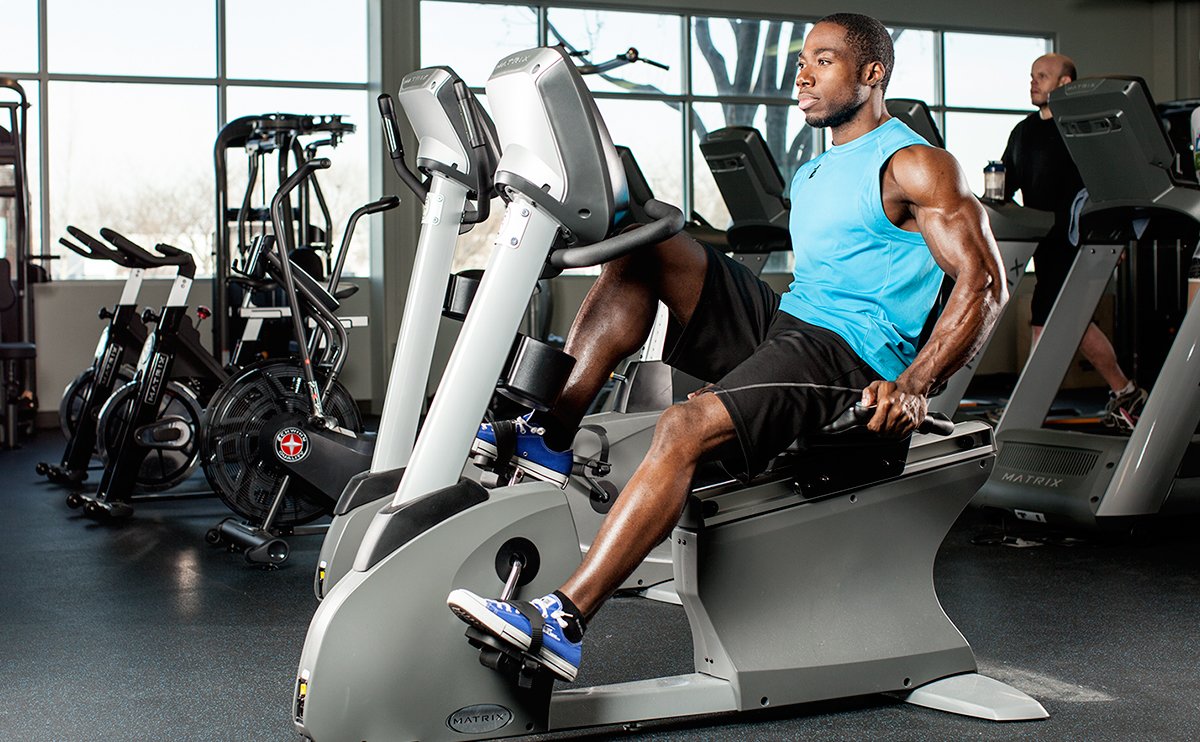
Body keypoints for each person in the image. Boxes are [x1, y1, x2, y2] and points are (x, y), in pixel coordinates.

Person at [449, 13, 1008, 682]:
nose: (803, 74)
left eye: (824, 61)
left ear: (872, 73)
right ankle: (553, 433)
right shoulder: (815, 171)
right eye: (802, 60)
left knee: (681, 425)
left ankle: (562, 623)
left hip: (849, 359)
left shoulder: (914, 163)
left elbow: (986, 280)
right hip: (789, 322)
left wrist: (916, 384)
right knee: (645, 240)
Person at [1000, 53, 1147, 429]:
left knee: (1051, 322)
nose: (1033, 83)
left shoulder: (1080, 129)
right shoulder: (1022, 132)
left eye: (1043, 76)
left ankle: (1027, 406)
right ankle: (1125, 391)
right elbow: (1004, 185)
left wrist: (1117, 239)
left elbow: (1110, 184)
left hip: (1079, 243)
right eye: (1031, 76)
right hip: (1044, 245)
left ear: (1065, 83)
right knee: (1069, 324)